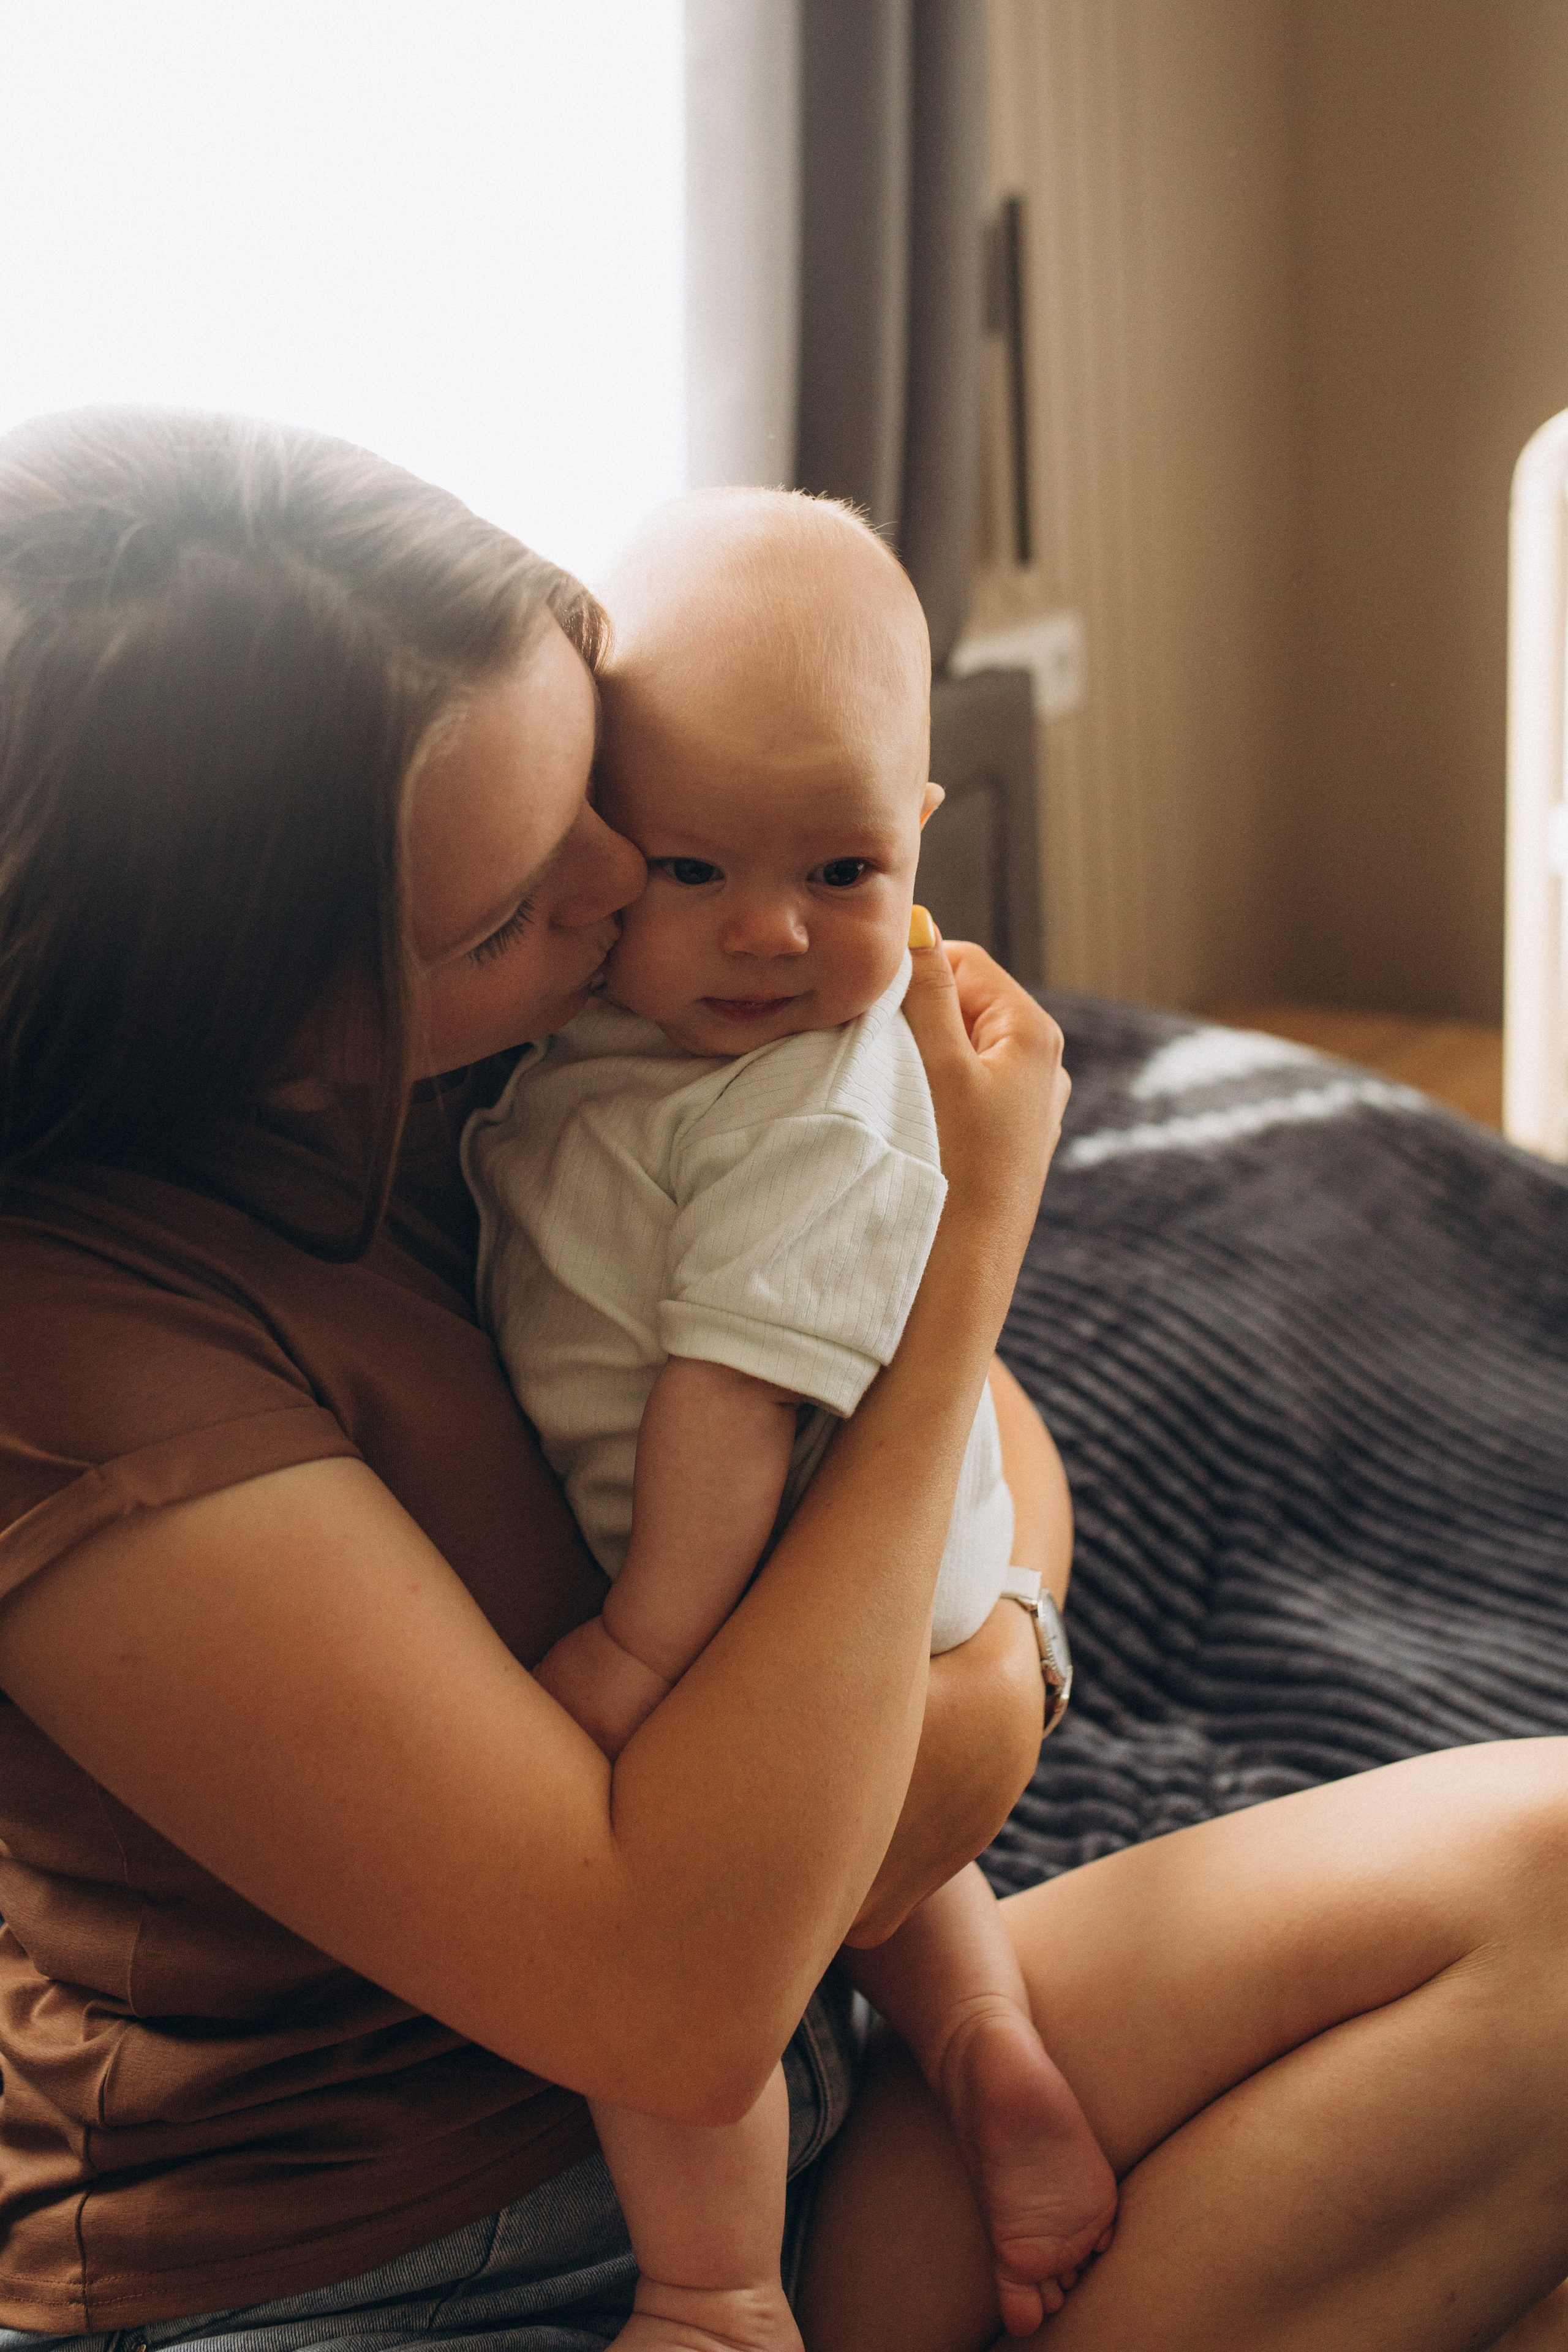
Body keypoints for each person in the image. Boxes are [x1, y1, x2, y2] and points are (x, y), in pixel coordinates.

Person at [0, 409, 1566, 2352]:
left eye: (595, 780)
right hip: (397, 2274)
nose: (627, 899)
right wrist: (968, 1258)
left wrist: (957, 1644)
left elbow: (1001, 1487)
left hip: (791, 2097)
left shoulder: (511, 1048)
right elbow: (680, 1984)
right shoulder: (79, 1361)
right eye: (510, 908)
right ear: (264, 1011)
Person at [462, 488, 1117, 2348]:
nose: (766, 938)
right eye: (694, 874)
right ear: (595, 850)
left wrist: (650, 1638)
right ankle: (994, 2054)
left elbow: (734, 1396)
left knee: (685, 1979)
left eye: (840, 875)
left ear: (917, 832)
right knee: (908, 1896)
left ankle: (716, 2282)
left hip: (768, 1576)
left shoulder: (812, 1105)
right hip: (856, 1562)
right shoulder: (621, 1032)